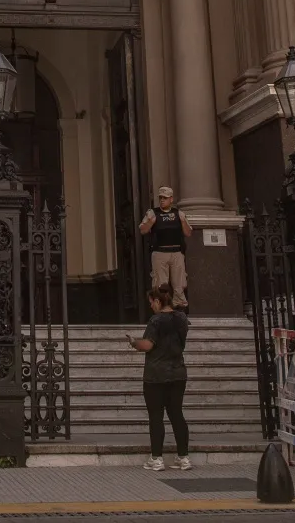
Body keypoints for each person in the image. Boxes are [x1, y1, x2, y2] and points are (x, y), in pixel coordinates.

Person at [129, 283, 191, 471]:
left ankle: (156, 458)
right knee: (177, 414)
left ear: (157, 301)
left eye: (151, 302)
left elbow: (148, 345)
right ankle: (183, 457)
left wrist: (134, 343)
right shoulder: (181, 318)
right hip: (178, 372)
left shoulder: (155, 321)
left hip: (156, 374)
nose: (150, 306)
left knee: (156, 416)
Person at [137, 187, 191, 310]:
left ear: (171, 199)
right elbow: (142, 230)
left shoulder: (179, 213)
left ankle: (180, 312)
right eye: (160, 197)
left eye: (165, 198)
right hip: (159, 252)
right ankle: (162, 310)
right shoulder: (152, 213)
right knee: (160, 285)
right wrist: (150, 222)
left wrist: (183, 222)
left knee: (179, 284)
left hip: (176, 252)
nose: (162, 200)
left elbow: (188, 233)